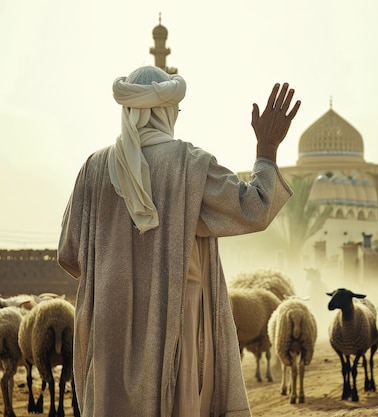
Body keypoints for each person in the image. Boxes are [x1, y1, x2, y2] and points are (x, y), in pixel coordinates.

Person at [58, 65, 300, 417]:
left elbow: (70, 254)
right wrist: (267, 149)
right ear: (168, 111)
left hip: (109, 327)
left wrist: (121, 281)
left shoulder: (92, 169)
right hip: (178, 324)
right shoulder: (189, 165)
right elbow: (254, 208)